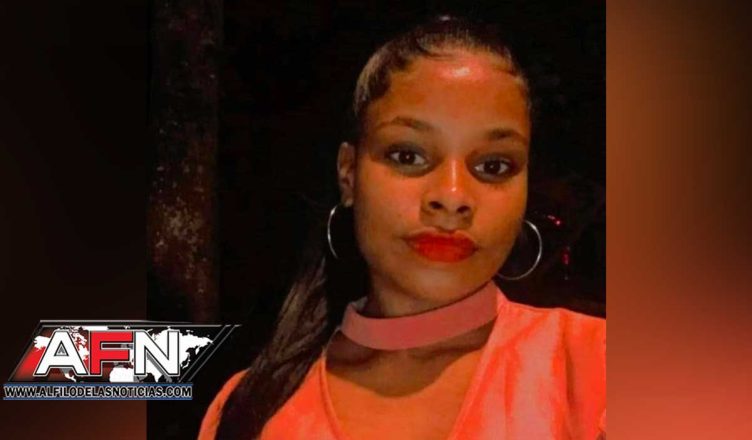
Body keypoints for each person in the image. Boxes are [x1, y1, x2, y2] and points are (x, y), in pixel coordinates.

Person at [199, 16, 605, 440]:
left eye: (493, 165)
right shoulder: (249, 407)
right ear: (349, 175)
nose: (452, 196)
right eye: (408, 156)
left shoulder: (598, 366)